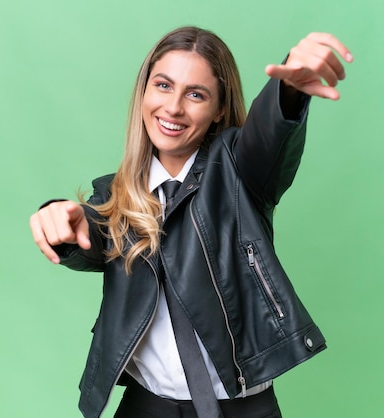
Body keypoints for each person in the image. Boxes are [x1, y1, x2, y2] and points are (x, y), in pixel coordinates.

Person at [30, 26, 352, 418]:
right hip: (145, 408)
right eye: (163, 86)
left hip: (241, 411)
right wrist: (61, 217)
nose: (174, 108)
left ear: (219, 108)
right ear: (144, 92)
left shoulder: (239, 170)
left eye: (195, 94)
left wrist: (288, 91)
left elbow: (266, 137)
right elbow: (93, 231)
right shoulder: (116, 196)